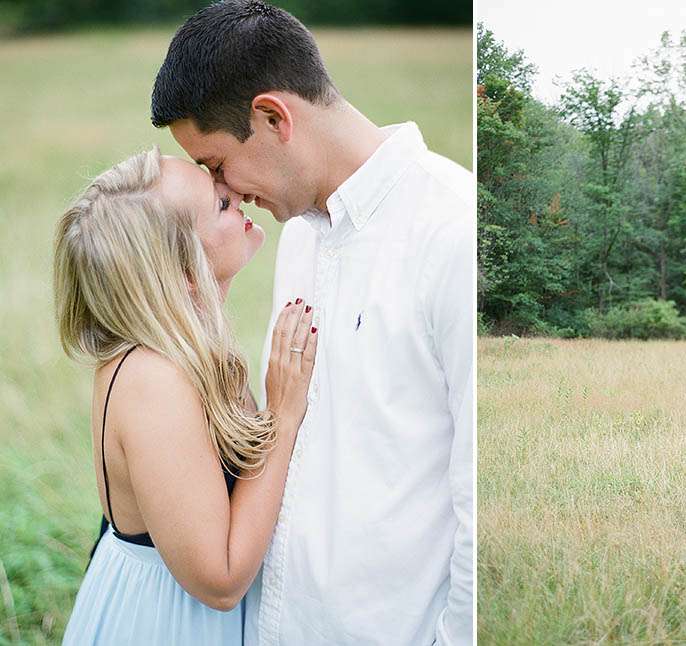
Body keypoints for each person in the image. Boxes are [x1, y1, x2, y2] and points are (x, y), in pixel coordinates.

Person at [150, 2, 474, 644]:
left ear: (273, 117)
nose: (226, 193)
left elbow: (478, 498)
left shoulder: (452, 234)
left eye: (216, 166)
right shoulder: (296, 235)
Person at [55, 147, 317, 645]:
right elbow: (219, 580)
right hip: (164, 623)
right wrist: (282, 416)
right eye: (219, 204)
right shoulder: (153, 382)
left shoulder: (189, 352)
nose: (235, 193)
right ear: (186, 274)